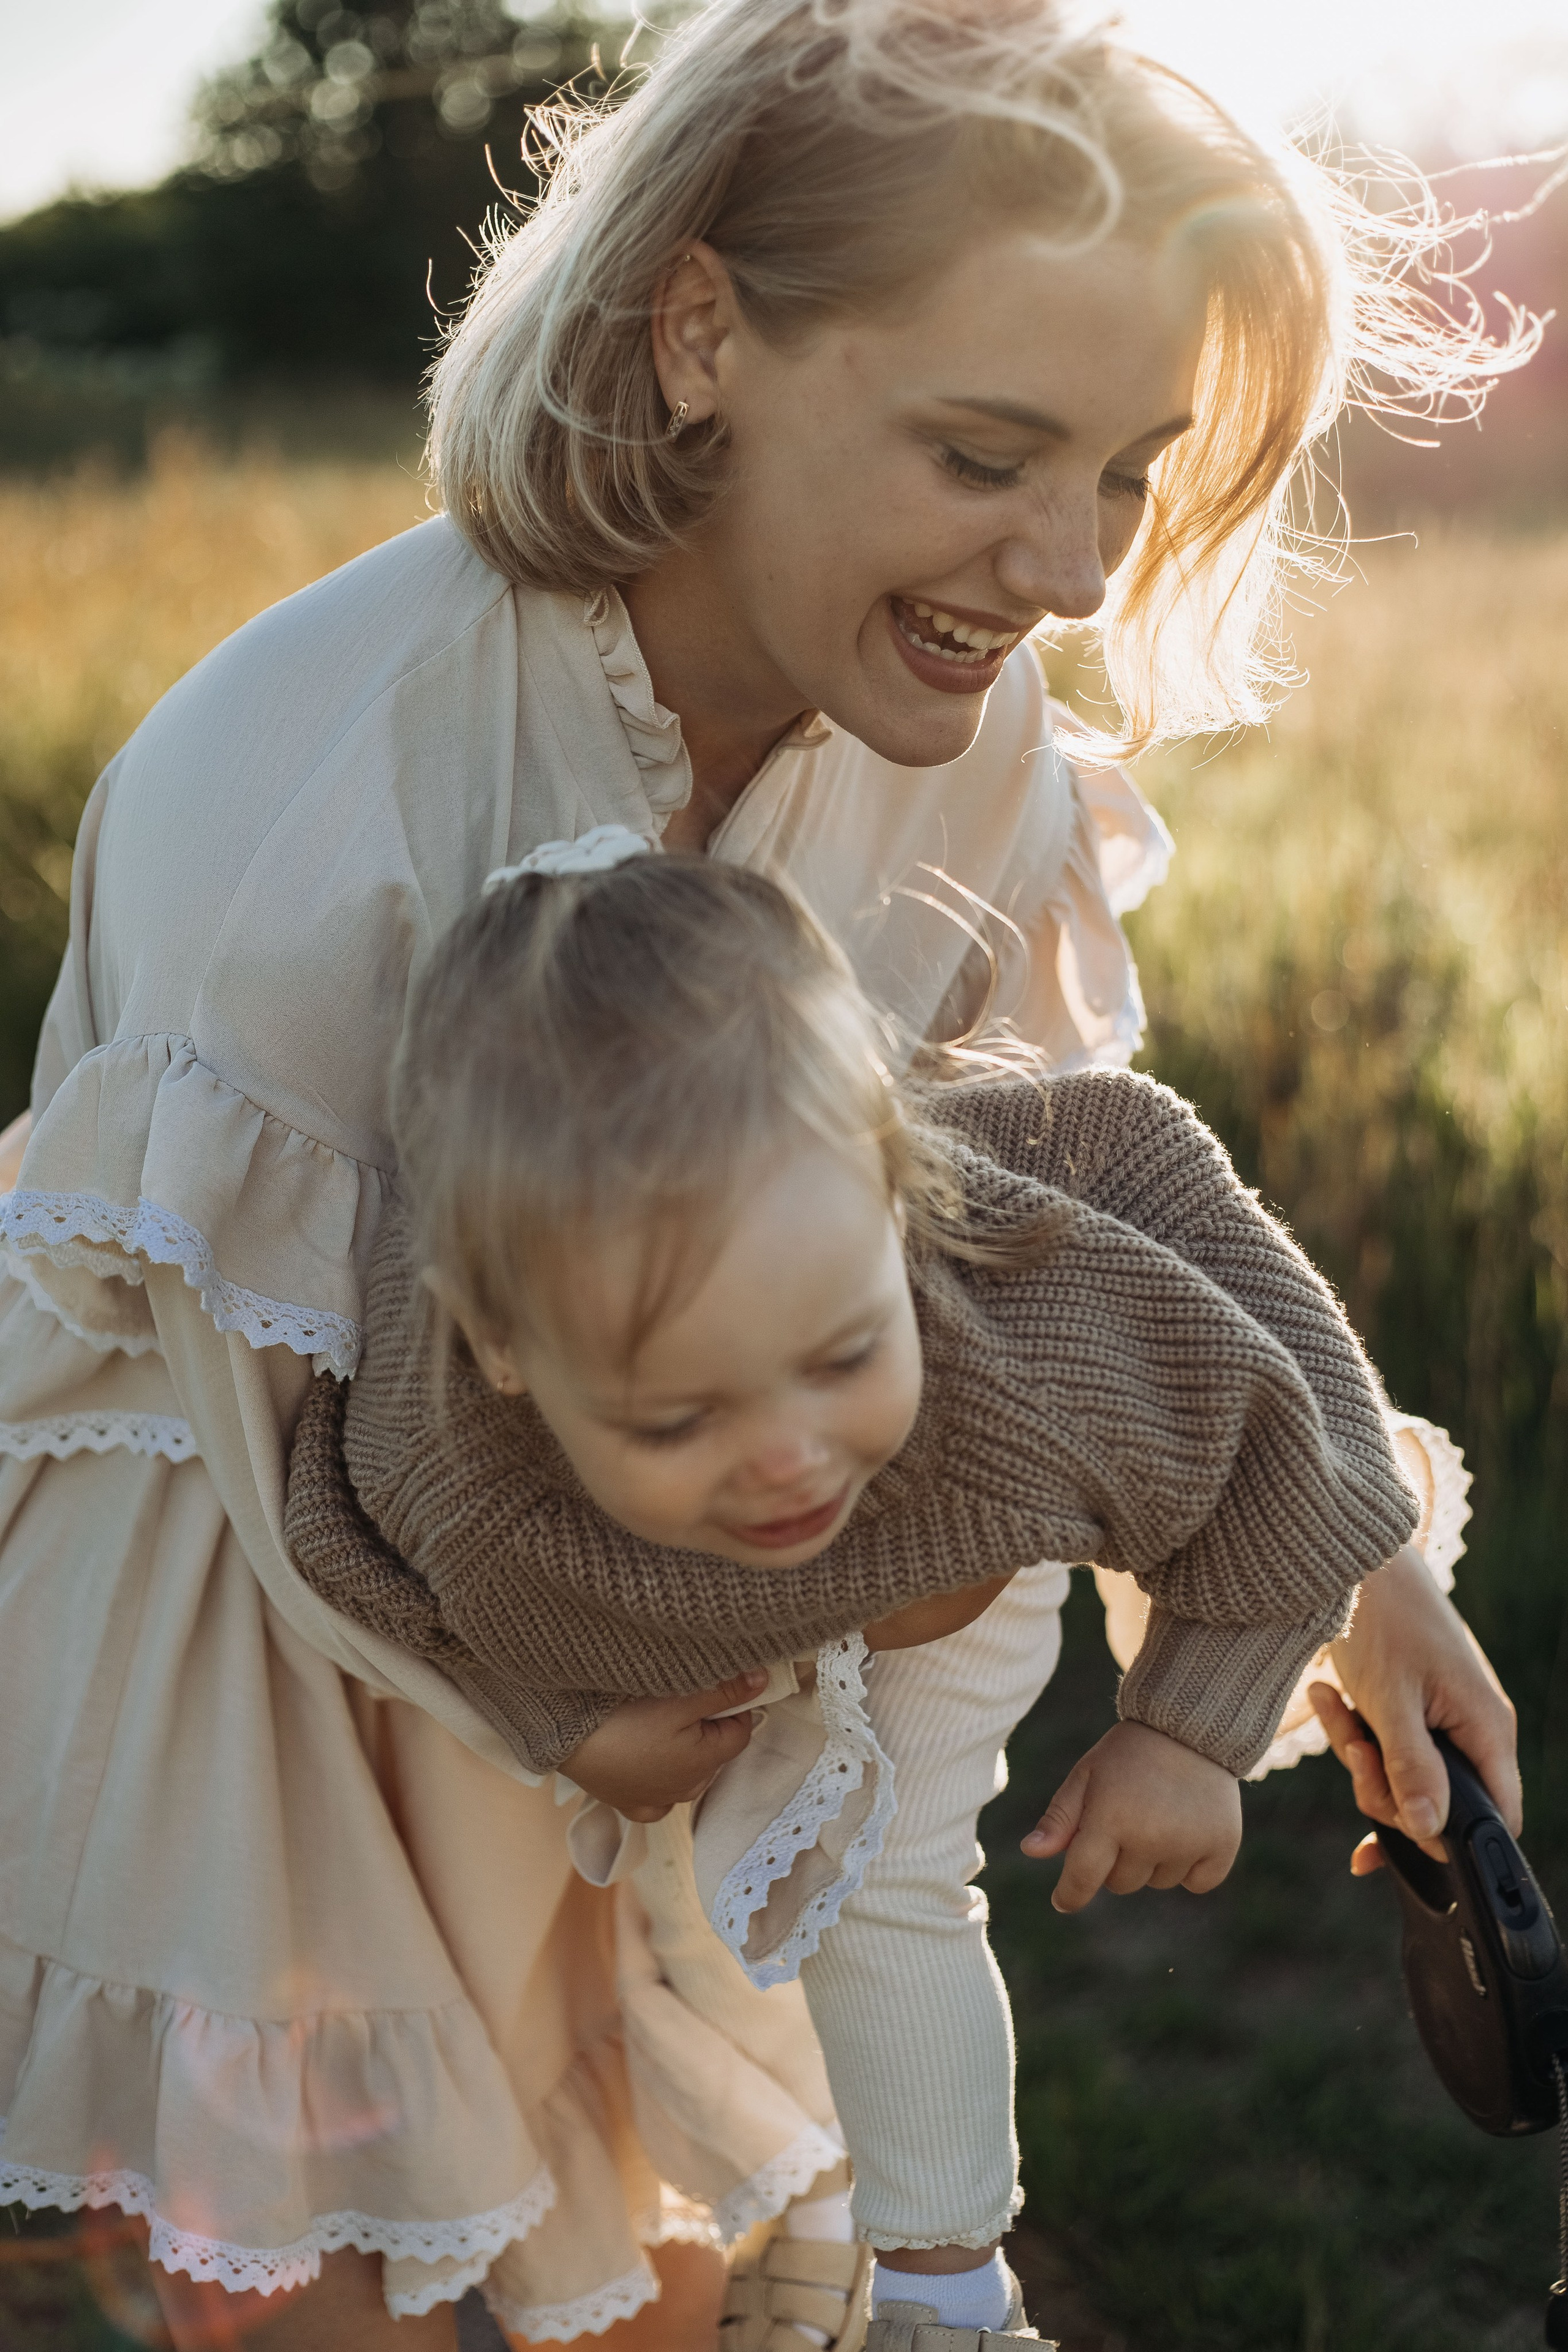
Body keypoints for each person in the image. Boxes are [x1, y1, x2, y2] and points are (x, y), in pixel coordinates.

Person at [0, 2, 1526, 2346]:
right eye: (986, 452)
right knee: (348, 2294)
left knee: (667, 2295)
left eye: (1129, 470)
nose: (1074, 565)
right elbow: (256, 1428)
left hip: (681, 1601)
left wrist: (1351, 1562)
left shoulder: (975, 734)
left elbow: (1063, 1211)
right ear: (699, 328)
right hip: (294, 1640)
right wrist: (557, 1720)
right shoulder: (306, 793)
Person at [281, 835, 1425, 2344]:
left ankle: (951, 2302)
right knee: (724, 1909)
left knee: (882, 1880)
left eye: (834, 1358)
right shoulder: (456, 1475)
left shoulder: (1037, 1340)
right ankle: (810, 2191)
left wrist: (1186, 1728)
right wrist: (556, 1720)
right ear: (506, 1360)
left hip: (962, 1509)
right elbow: (351, 1554)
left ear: (898, 1212)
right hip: (696, 1596)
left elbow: (1302, 1452)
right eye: (680, 1417)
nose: (785, 1461)